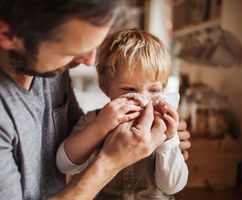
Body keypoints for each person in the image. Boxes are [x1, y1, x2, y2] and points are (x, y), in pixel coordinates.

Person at [0, 1, 191, 199]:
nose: (89, 62)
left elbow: (173, 184)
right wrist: (111, 159)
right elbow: (66, 160)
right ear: (7, 35)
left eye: (93, 46)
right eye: (70, 51)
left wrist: (171, 141)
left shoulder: (52, 70)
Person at [56, 28, 188, 199]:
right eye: (130, 89)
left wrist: (169, 142)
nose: (144, 99)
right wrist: (99, 127)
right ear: (106, 87)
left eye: (154, 90)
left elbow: (172, 187)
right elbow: (65, 166)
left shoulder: (164, 126)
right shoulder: (94, 120)